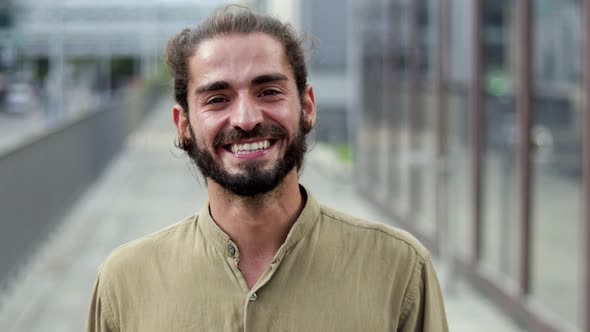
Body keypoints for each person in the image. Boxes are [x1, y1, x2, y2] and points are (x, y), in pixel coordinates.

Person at [87, 6, 448, 332]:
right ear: (183, 126)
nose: (246, 119)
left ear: (307, 107)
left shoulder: (399, 270)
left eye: (269, 91)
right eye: (217, 99)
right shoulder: (124, 284)